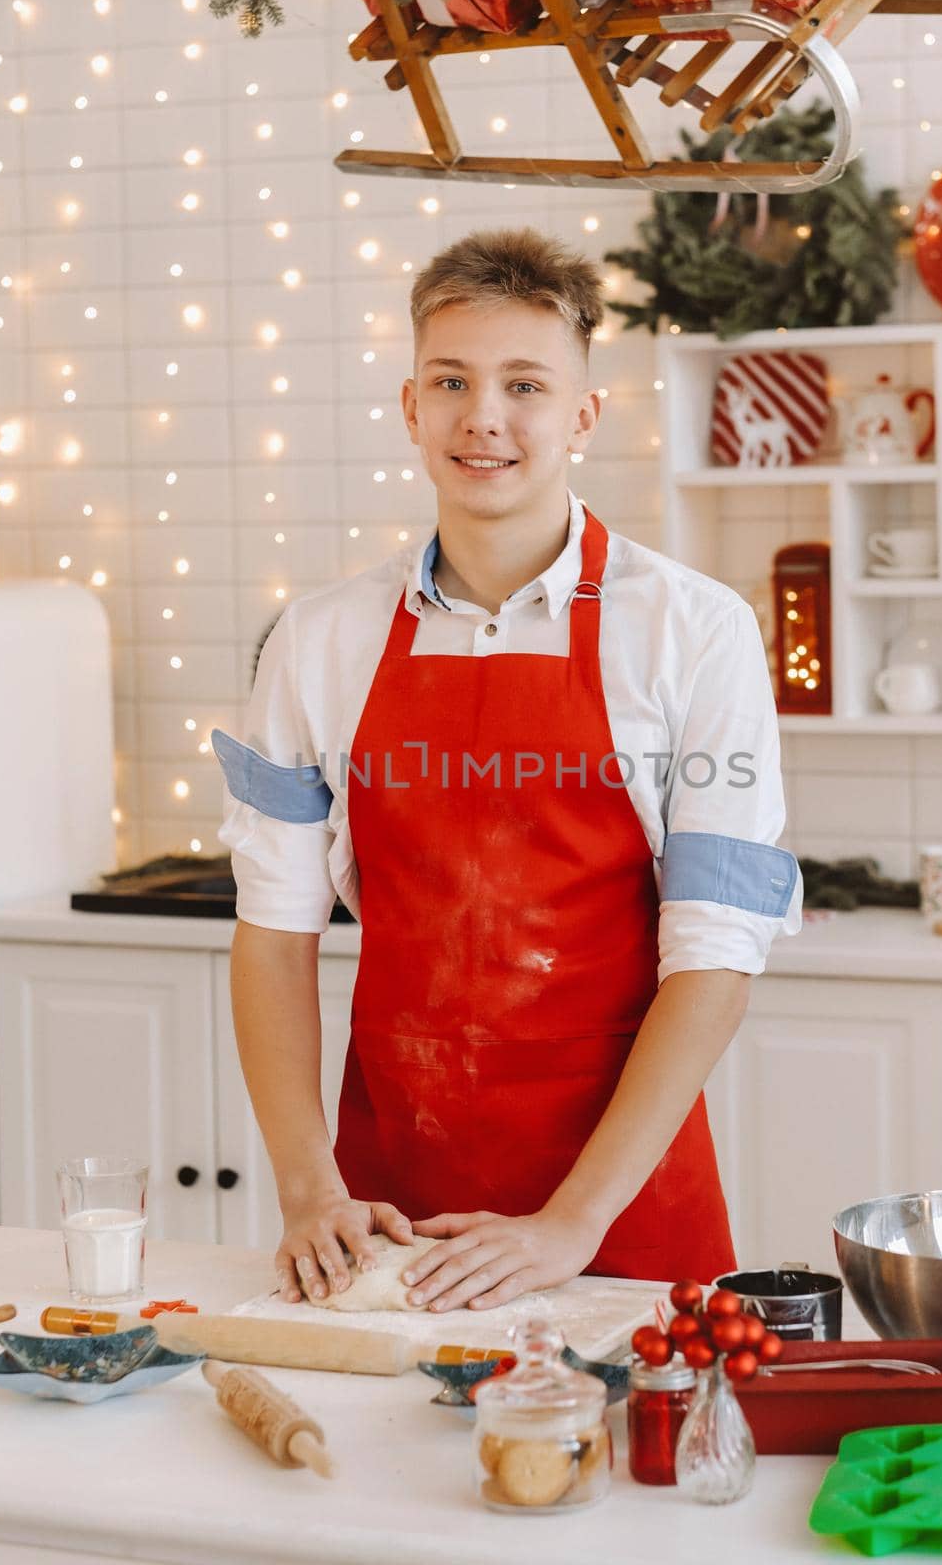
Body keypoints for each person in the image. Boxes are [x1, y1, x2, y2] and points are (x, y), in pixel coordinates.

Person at [212, 226, 801, 1316]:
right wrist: (306, 1191)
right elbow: (273, 930)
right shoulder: (321, 639)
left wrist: (570, 1221)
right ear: (410, 406)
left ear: (582, 413)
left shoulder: (691, 630)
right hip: (384, 1225)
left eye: (523, 384)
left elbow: (715, 956)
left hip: (618, 1220)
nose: (483, 417)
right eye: (452, 381)